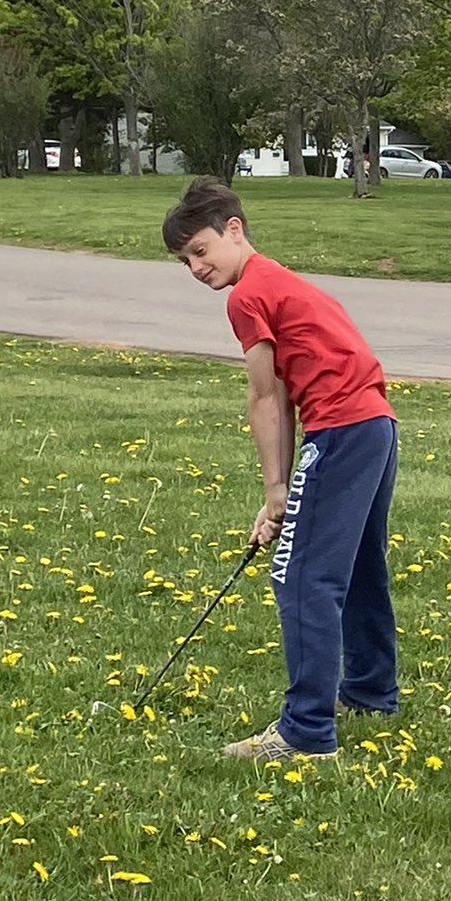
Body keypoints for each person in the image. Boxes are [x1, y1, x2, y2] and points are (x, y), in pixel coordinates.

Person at [162, 177, 398, 759]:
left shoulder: (246, 296)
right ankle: (369, 691)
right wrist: (278, 494)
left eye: (200, 250)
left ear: (234, 230)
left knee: (301, 577)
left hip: (342, 429)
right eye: (183, 259)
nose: (194, 267)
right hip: (375, 427)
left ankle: (305, 733)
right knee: (359, 565)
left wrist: (277, 495)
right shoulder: (279, 281)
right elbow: (292, 392)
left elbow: (265, 397)